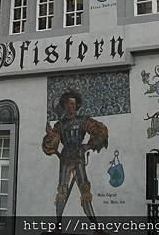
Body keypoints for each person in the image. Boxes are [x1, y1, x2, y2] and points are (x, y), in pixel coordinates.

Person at [42, 90, 108, 225]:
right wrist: (50, 135)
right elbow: (52, 142)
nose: (70, 106)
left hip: (78, 156)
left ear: (76, 105)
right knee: (62, 189)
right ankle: (58, 224)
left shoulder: (83, 120)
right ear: (64, 106)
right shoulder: (59, 125)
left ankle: (95, 225)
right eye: (67, 104)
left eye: (72, 103)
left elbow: (99, 131)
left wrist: (88, 145)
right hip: (65, 158)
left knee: (84, 188)